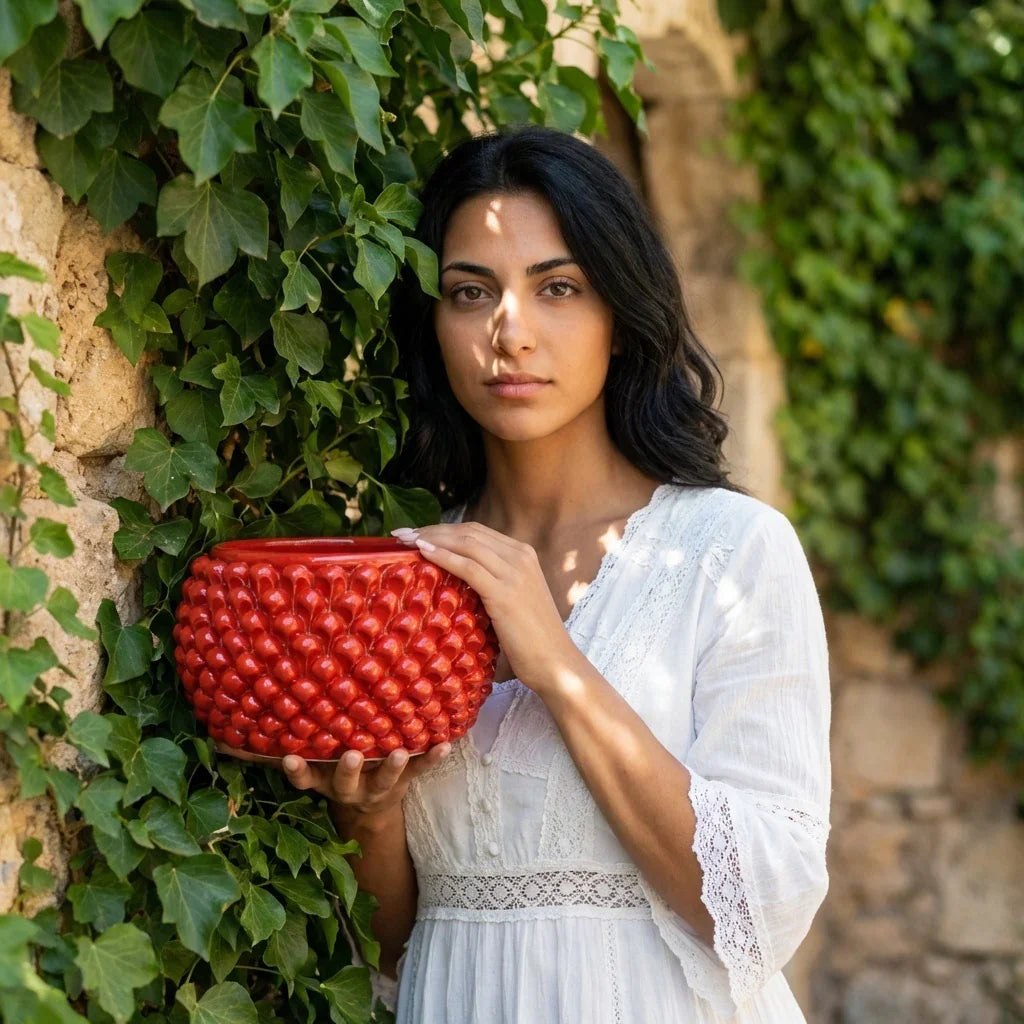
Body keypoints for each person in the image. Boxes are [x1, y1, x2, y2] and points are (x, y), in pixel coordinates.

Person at [279, 126, 832, 1023]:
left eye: (558, 288)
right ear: (434, 323)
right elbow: (394, 952)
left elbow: (760, 912)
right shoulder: (406, 574)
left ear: (620, 314)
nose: (511, 332)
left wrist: (558, 667)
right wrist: (369, 817)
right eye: (470, 292)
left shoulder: (732, 552)